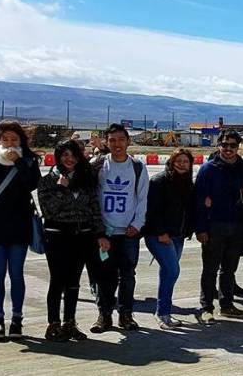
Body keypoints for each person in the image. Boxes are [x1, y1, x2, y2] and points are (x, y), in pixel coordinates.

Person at [0, 121, 42, 341]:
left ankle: (17, 320)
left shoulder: (28, 161)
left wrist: (20, 162)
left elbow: (33, 184)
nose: (10, 143)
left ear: (20, 140)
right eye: (5, 139)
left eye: (14, 139)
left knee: (16, 273)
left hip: (19, 226)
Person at [37, 139, 106, 342]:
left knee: (74, 281)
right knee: (57, 279)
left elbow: (94, 209)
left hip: (82, 235)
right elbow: (49, 211)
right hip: (57, 235)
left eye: (73, 155)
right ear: (58, 157)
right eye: (65, 155)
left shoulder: (86, 178)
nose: (69, 159)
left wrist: (100, 233)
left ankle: (70, 322)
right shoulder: (48, 180)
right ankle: (53, 324)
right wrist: (61, 189)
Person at [89, 123, 149, 333]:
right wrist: (98, 231)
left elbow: (142, 198)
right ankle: (104, 315)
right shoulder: (97, 165)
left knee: (128, 275)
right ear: (106, 142)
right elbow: (90, 198)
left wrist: (137, 224)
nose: (117, 144)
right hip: (105, 235)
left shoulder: (138, 167)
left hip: (129, 234)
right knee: (104, 275)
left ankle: (126, 314)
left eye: (121, 140)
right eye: (112, 140)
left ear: (128, 142)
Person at [194, 129, 243, 324]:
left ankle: (227, 305)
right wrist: (201, 229)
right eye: (225, 145)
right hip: (214, 226)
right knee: (210, 269)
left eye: (233, 145)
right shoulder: (208, 169)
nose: (228, 149)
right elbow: (198, 201)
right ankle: (206, 308)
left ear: (238, 147)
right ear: (219, 145)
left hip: (237, 225)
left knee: (229, 269)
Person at [143, 148, 195, 329]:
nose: (182, 164)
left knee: (167, 273)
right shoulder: (159, 181)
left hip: (178, 236)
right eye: (178, 161)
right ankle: (162, 313)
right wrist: (160, 232)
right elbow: (151, 211)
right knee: (172, 271)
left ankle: (164, 311)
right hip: (159, 236)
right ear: (171, 162)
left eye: (185, 161)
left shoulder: (188, 183)